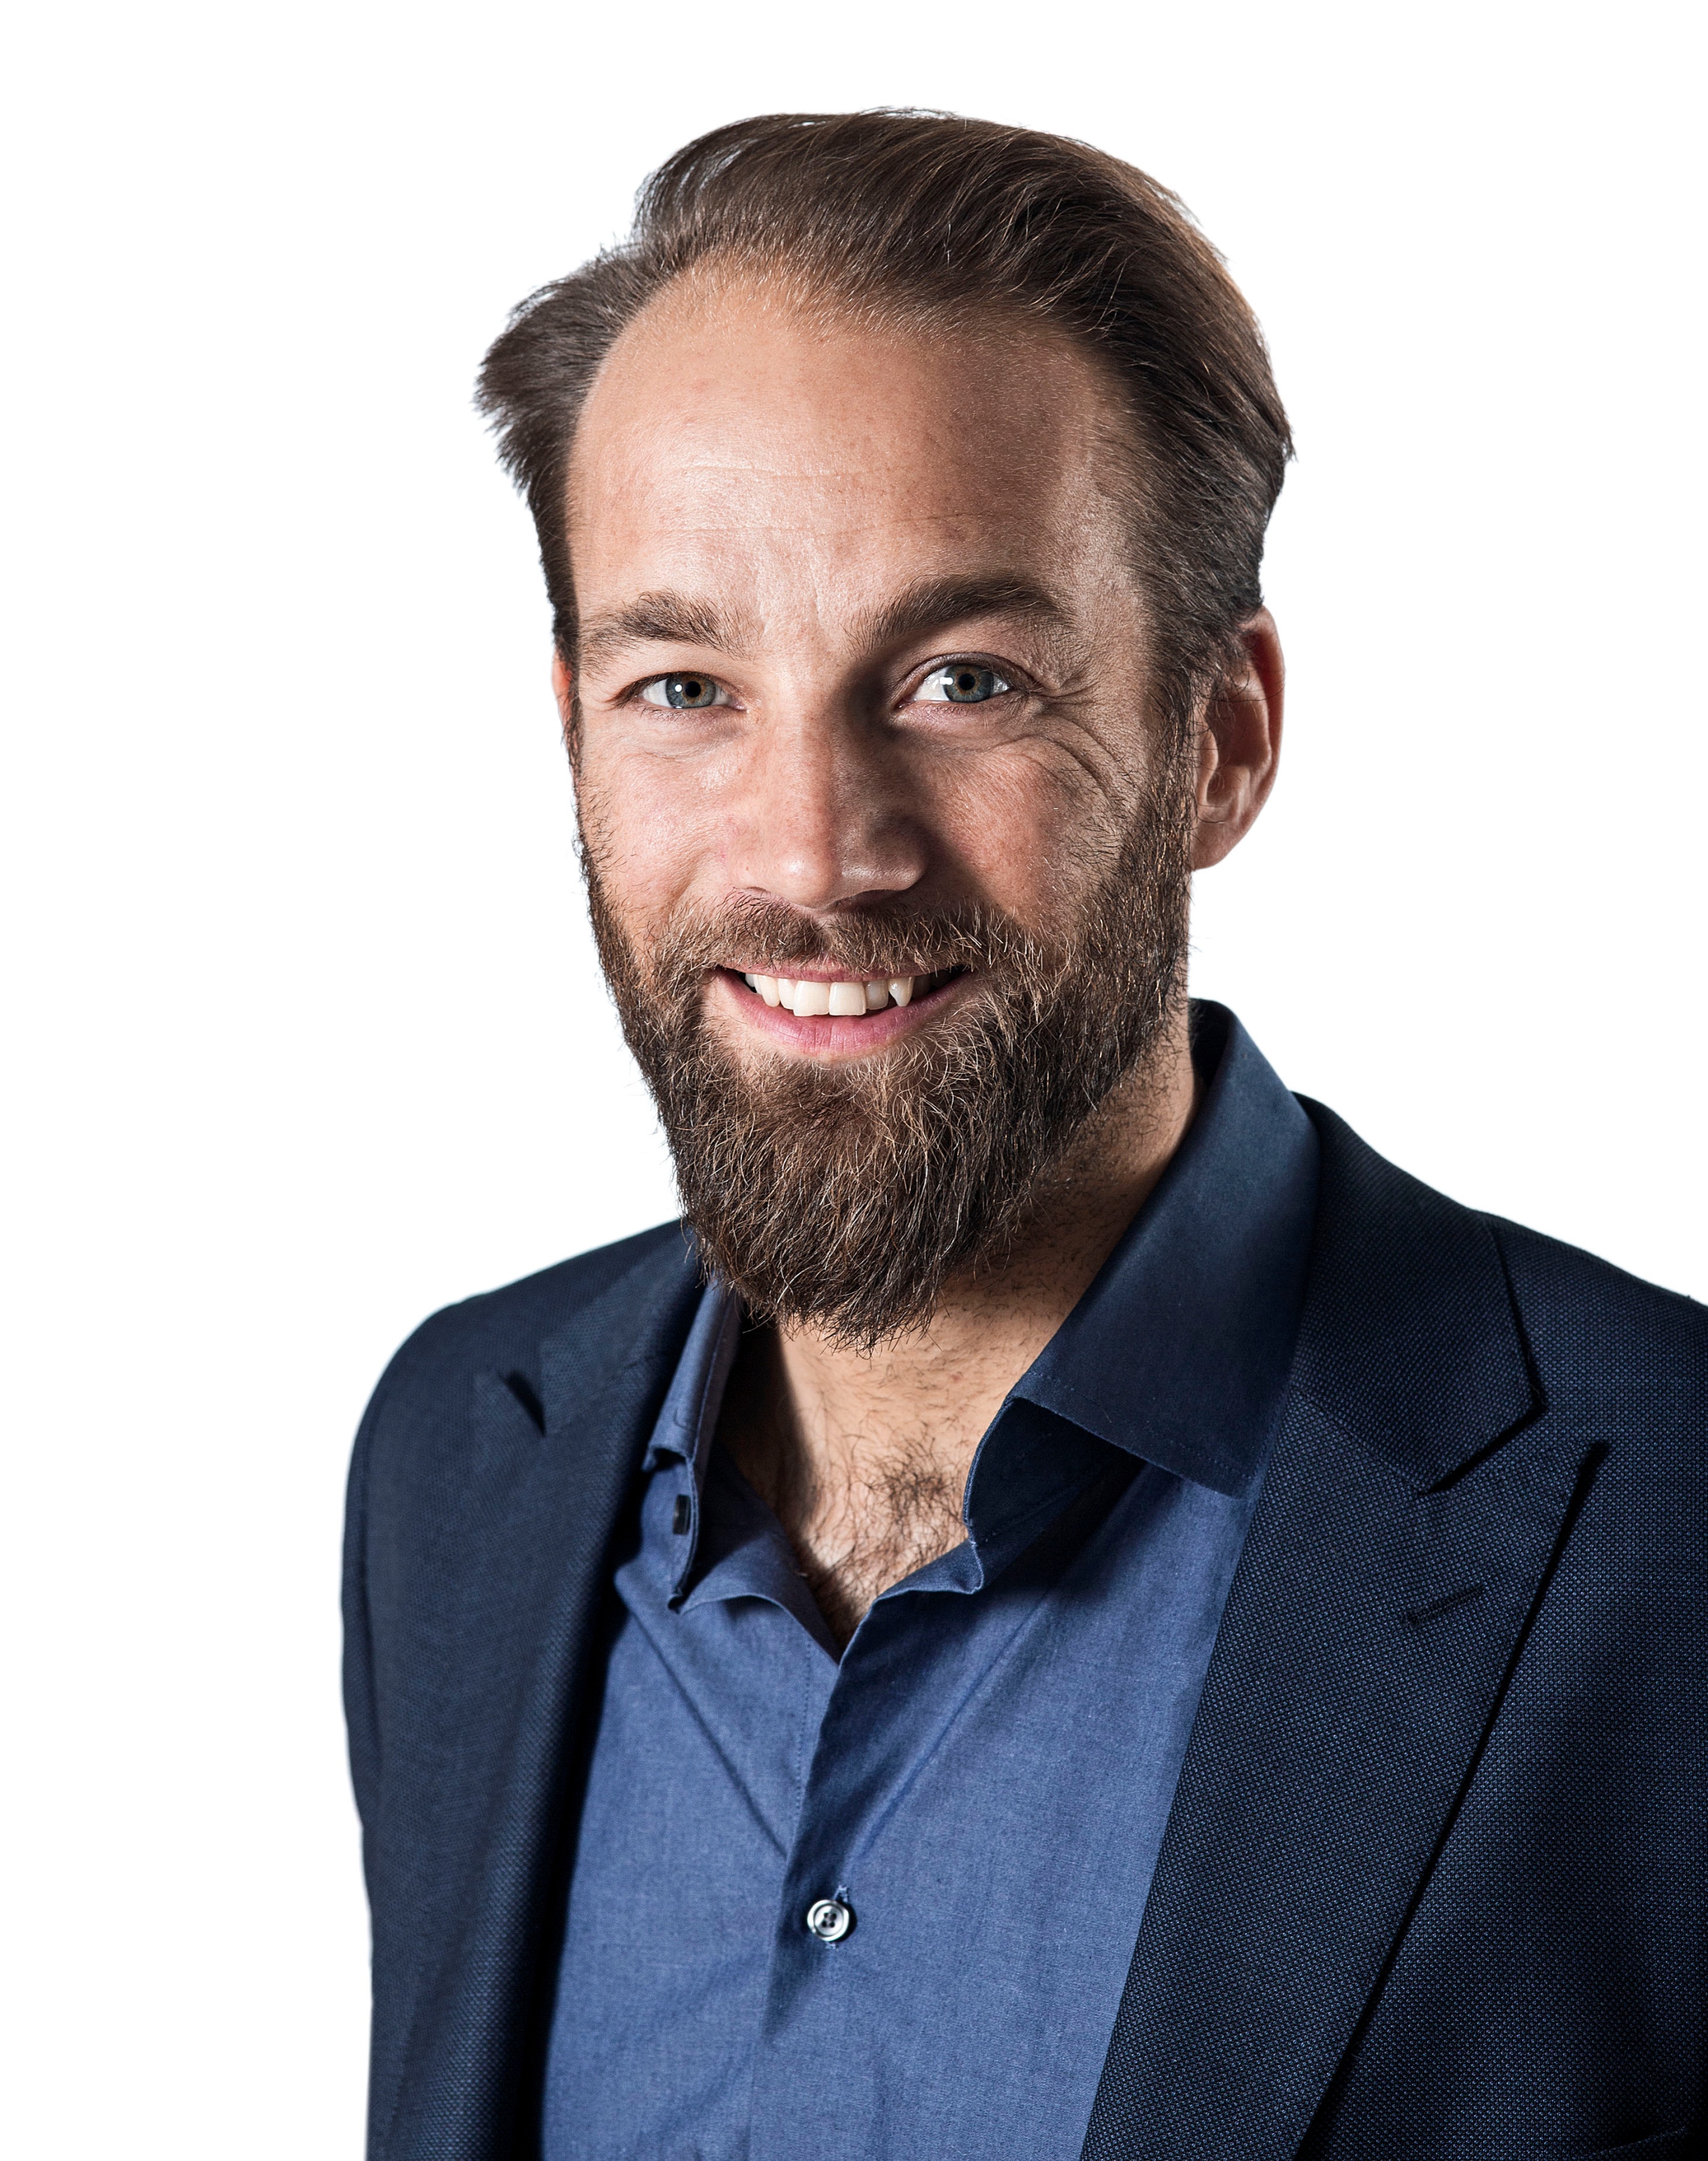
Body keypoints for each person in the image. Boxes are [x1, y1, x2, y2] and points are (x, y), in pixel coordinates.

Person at [342, 111, 1704, 2160]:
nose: (814, 854)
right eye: (685, 686)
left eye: (965, 679)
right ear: (572, 729)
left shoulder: (1668, 1529)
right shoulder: (459, 1458)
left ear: (1217, 738)